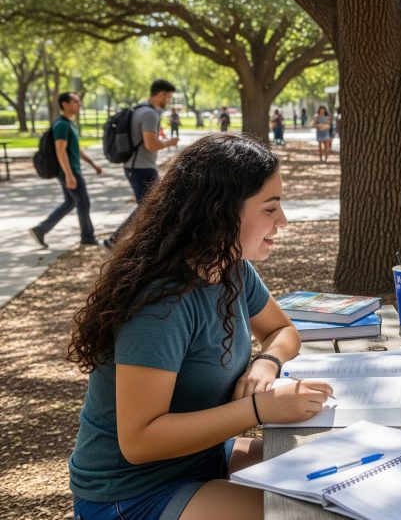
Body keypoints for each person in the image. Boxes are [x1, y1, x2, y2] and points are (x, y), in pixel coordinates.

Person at [67, 134, 334, 519]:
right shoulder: (162, 304)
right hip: (132, 493)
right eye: (270, 208)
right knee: (311, 513)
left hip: (201, 459)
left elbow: (282, 331)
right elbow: (139, 441)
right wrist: (259, 409)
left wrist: (267, 363)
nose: (283, 221)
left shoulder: (231, 267)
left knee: (333, 471)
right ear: (221, 211)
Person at [104, 79, 180, 249]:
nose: (169, 100)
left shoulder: (138, 109)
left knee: (151, 205)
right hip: (141, 167)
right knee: (152, 205)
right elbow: (151, 144)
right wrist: (170, 142)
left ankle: (133, 240)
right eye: (168, 96)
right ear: (160, 94)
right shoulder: (149, 114)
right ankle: (118, 240)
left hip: (135, 166)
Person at [29, 92, 103, 248]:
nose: (79, 104)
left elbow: (76, 149)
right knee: (83, 202)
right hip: (68, 171)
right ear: (64, 104)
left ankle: (40, 230)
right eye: (75, 101)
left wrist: (93, 164)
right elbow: (60, 150)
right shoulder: (61, 125)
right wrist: (69, 175)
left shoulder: (69, 124)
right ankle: (87, 237)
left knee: (70, 202)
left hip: (71, 170)